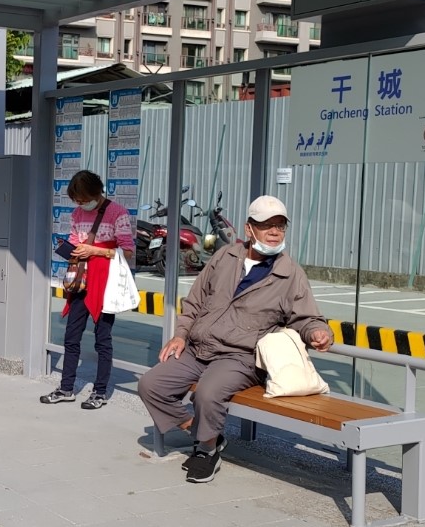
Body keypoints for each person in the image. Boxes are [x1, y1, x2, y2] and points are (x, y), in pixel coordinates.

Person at [137, 195, 332, 484]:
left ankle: (206, 451)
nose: (275, 232)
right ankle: (202, 433)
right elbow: (195, 301)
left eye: (280, 226)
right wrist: (180, 335)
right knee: (151, 384)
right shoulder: (224, 257)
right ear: (249, 229)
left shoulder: (290, 272)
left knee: (207, 393)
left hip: (240, 357)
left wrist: (317, 332)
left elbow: (306, 317)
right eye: (267, 225)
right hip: (199, 347)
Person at [40, 170, 135, 410]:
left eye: (84, 199)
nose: (81, 204)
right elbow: (75, 240)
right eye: (77, 201)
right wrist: (70, 248)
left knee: (102, 339)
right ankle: (66, 388)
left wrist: (95, 250)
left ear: (96, 193)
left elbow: (128, 252)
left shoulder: (118, 213)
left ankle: (100, 392)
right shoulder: (77, 213)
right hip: (81, 281)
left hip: (105, 283)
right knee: (71, 336)